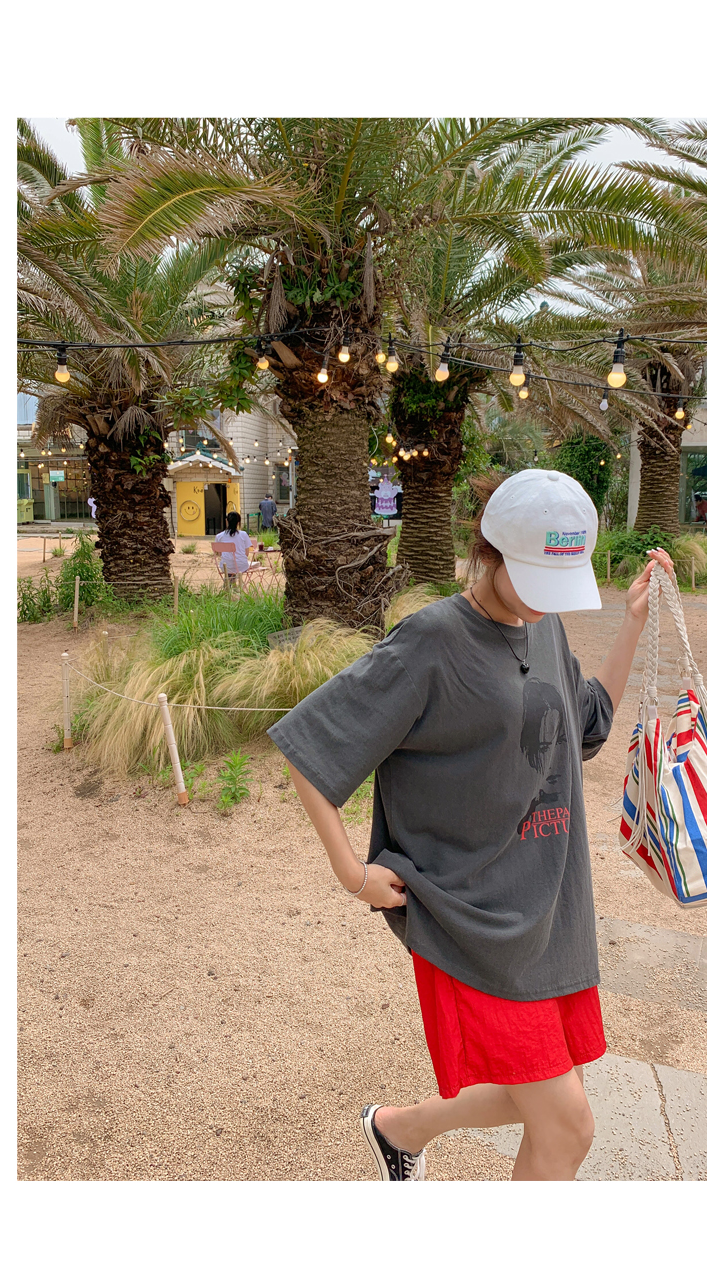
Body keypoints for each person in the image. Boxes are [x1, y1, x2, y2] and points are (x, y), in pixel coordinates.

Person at [267, 469, 674, 1182]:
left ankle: (398, 1130)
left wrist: (633, 622)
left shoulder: (543, 627)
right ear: (490, 551)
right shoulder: (432, 640)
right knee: (569, 1124)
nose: (546, 602)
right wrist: (353, 874)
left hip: (551, 913)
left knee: (543, 1103)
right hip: (472, 918)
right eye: (536, 579)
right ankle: (402, 1135)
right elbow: (311, 746)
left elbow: (586, 726)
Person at [213, 510, 254, 579]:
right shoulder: (243, 534)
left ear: (226, 521)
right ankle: (235, 583)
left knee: (229, 565)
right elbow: (246, 553)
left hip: (225, 566)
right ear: (238, 523)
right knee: (239, 564)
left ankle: (229, 583)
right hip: (241, 566)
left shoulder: (219, 536)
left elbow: (220, 554)